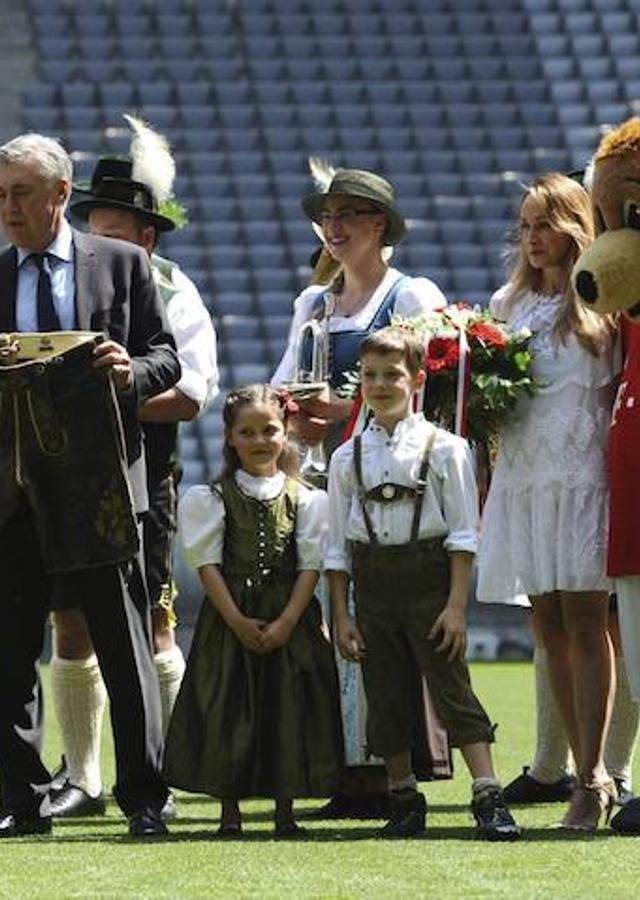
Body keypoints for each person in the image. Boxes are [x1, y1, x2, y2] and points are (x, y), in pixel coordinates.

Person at [0, 133, 178, 839]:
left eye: (21, 193)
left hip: (99, 489)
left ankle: (144, 800)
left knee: (124, 650)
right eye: (0, 194)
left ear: (61, 194)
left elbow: (166, 358)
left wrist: (131, 371)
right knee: (8, 651)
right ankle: (20, 803)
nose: (8, 207)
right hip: (7, 495)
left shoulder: (123, 265)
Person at [47, 116, 218, 818]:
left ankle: (162, 771)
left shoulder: (175, 294)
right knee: (69, 622)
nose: (98, 245)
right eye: (94, 232)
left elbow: (189, 398)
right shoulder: (68, 286)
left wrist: (101, 403)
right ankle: (81, 779)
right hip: (65, 477)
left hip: (143, 477)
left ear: (145, 237)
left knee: (151, 621)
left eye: (113, 233)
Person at [271, 167, 450, 817]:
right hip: (325, 483)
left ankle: (385, 771)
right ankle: (346, 766)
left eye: (349, 213)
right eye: (328, 215)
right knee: (333, 628)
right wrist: (290, 417)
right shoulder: (312, 304)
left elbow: (427, 397)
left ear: (379, 225)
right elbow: (282, 387)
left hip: (389, 488)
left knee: (380, 630)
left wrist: (341, 407)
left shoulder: (409, 297)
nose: (334, 226)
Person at [476, 173, 640, 828]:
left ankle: (593, 773)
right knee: (545, 627)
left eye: (543, 223)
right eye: (524, 226)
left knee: (586, 623)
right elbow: (485, 400)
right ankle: (583, 771)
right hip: (522, 479)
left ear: (575, 226)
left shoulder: (606, 305)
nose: (531, 238)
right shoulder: (505, 302)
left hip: (581, 477)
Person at [325, 327, 519, 840]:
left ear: (416, 380)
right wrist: (341, 615)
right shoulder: (347, 458)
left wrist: (456, 606)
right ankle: (404, 797)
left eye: (392, 375)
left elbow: (462, 533)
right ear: (358, 382)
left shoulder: (446, 448)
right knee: (383, 693)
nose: (380, 384)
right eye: (369, 375)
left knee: (452, 687)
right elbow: (336, 547)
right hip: (372, 583)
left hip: (429, 580)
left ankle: (488, 794)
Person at [166, 384, 341, 836]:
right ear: (229, 437)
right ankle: (230, 813)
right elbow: (207, 564)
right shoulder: (211, 497)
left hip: (291, 613)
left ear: (286, 434)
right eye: (247, 432)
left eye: (269, 430)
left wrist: (287, 621)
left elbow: (310, 566)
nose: (259, 440)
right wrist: (237, 620)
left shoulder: (306, 498)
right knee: (231, 706)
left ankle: (285, 811)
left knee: (288, 706)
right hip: (232, 614)